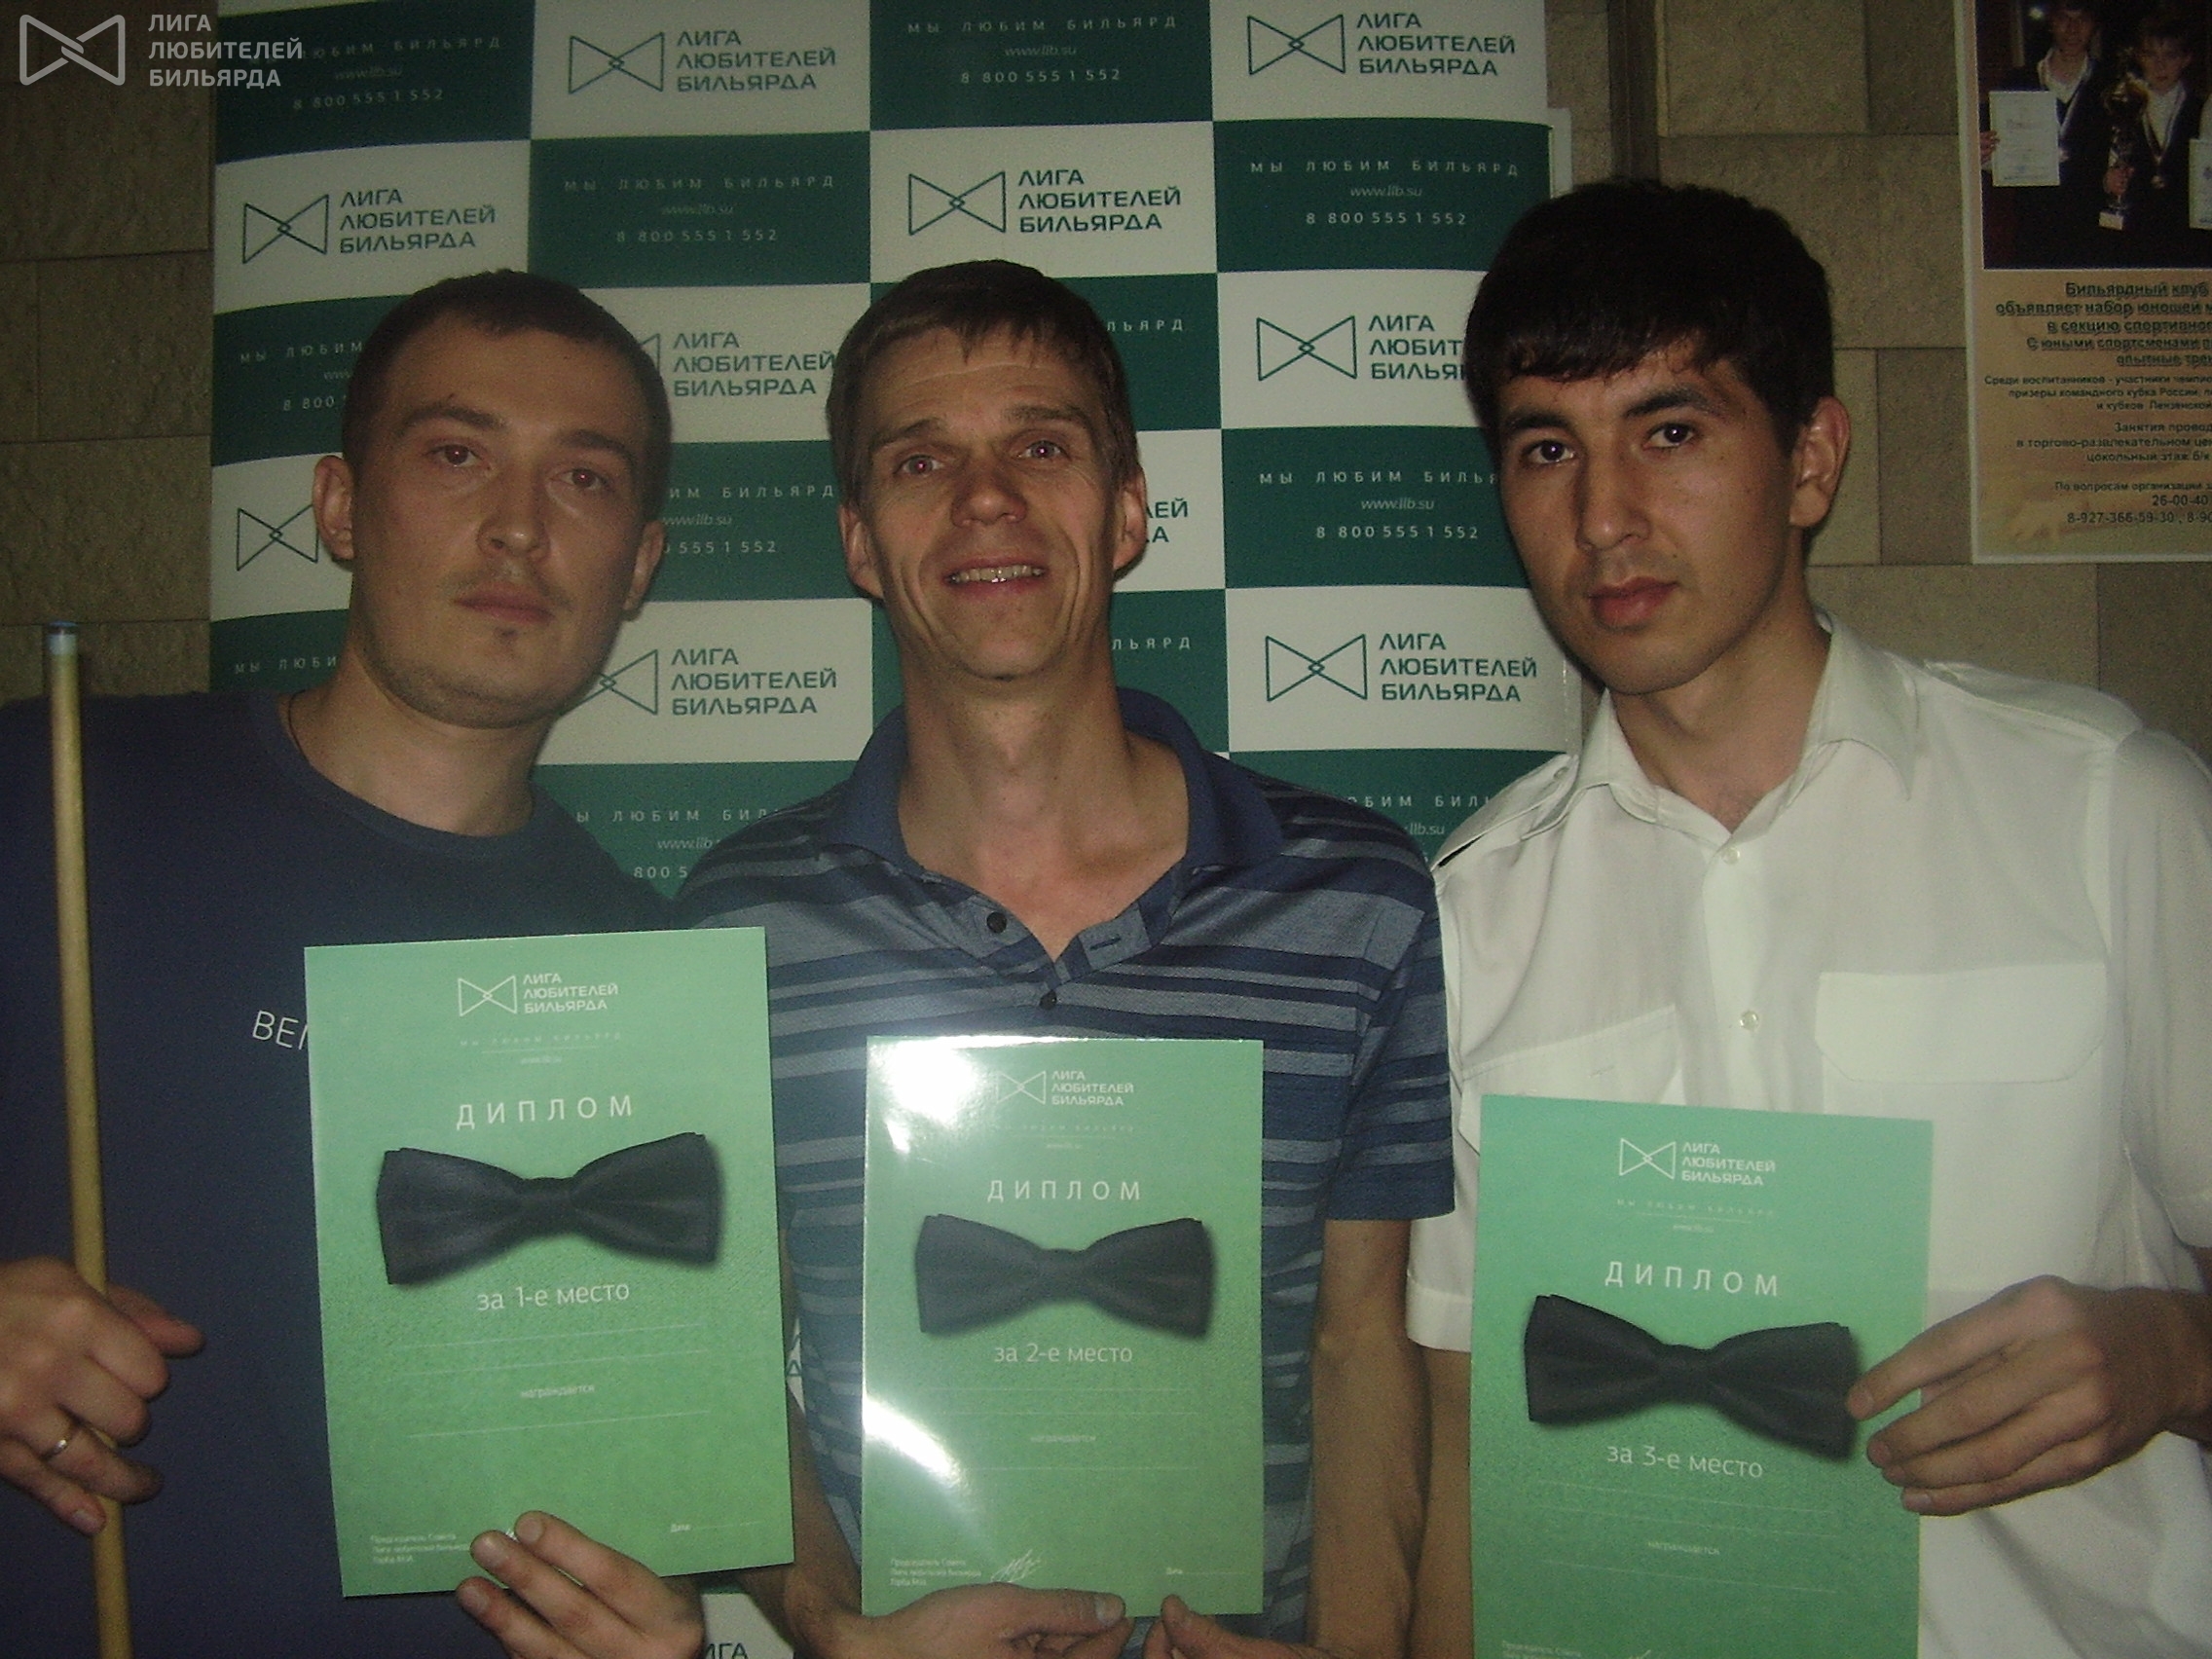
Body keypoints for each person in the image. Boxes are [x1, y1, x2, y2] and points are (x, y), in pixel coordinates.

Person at [1404, 178, 2212, 1659]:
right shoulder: (1471, 920)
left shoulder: (2107, 812)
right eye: (1546, 448)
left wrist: (2177, 1354)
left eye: (1670, 431)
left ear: (1811, 459)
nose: (1603, 518)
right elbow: (1468, 1441)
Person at [675, 260, 1455, 1659]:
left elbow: (1359, 1340)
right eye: (921, 462)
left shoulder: (1356, 899)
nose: (985, 499)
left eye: (1041, 447)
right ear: (860, 542)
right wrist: (829, 1627)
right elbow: (723, 1352)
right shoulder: (743, 925)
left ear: (1129, 508)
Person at [0, 271, 698, 1657]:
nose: (518, 525)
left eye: (584, 479)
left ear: (637, 565)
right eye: (455, 455)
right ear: (336, 505)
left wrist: (644, 1613)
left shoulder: (647, 978)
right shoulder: (49, 790)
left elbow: (638, 1429)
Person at [1978, 0, 2114, 267]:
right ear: (2051, 22)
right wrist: (1984, 154)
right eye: (2064, 18)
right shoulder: (2018, 82)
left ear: (2094, 26)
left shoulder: (2114, 85)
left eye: (2082, 19)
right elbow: (1997, 157)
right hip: (2034, 228)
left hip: (2096, 232)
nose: (2073, 29)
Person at [2094, 9, 2208, 267]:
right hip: (2134, 238)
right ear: (2138, 56)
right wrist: (2106, 181)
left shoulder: (2203, 109)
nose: (2160, 65)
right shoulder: (2120, 104)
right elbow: (2093, 166)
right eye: (2150, 55)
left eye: (2170, 55)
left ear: (2186, 59)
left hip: (2190, 240)